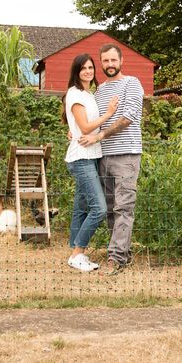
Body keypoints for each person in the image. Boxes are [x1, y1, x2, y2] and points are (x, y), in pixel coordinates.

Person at [82, 43, 144, 275]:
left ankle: (115, 259)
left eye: (113, 60)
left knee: (123, 208)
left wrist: (101, 135)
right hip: (103, 156)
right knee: (108, 208)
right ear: (101, 63)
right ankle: (120, 254)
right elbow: (92, 120)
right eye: (105, 61)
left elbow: (127, 117)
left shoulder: (132, 84)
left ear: (121, 61)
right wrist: (79, 133)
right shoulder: (99, 91)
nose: (109, 65)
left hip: (126, 154)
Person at [64, 53, 117, 272]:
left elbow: (77, 126)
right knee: (99, 208)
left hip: (91, 156)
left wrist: (72, 130)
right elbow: (86, 128)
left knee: (82, 207)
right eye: (83, 68)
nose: (88, 71)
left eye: (90, 67)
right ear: (76, 72)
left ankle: (75, 252)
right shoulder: (75, 94)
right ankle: (78, 253)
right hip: (81, 158)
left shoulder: (88, 94)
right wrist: (109, 114)